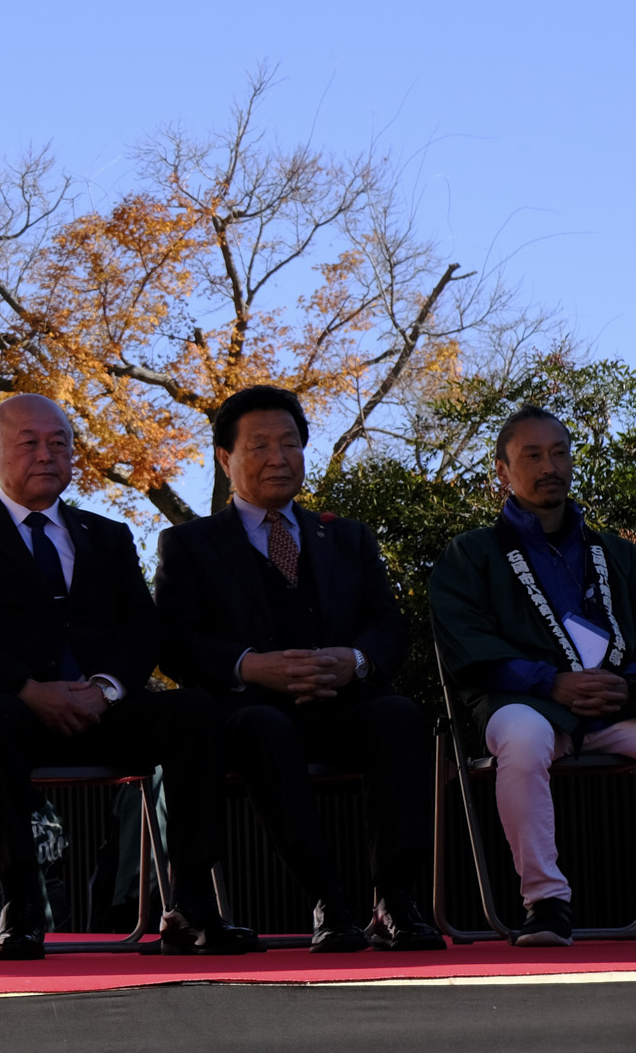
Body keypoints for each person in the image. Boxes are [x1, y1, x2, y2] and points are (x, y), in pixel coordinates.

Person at [0, 392, 258, 961]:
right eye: (28, 443)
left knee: (194, 712)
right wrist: (30, 690)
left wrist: (104, 689)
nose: (46, 455)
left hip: (103, 706)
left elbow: (143, 630)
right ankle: (23, 907)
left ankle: (193, 903)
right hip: (11, 709)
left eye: (60, 444)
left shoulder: (108, 534)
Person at [154, 385, 443, 952]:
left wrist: (353, 661)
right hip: (246, 712)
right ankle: (329, 901)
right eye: (258, 445)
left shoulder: (346, 536)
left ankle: (396, 900)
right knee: (267, 728)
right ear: (224, 458)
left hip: (341, 704)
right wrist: (251, 666)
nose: (277, 457)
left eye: (290, 443)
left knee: (399, 716)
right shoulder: (189, 544)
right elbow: (173, 642)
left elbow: (388, 626)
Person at [431, 404, 636, 947]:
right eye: (533, 455)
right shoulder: (471, 553)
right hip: (525, 701)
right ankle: (545, 902)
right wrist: (550, 682)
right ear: (502, 470)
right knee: (521, 740)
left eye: (560, 453)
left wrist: (626, 684)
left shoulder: (617, 554)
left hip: (617, 702)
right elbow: (467, 644)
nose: (551, 466)